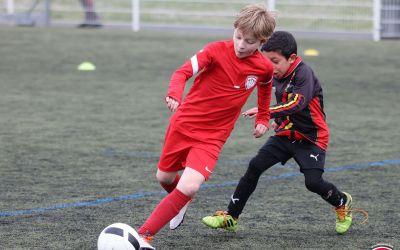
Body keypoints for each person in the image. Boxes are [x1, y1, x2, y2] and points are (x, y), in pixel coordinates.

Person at [133, 4, 276, 249]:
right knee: (164, 177)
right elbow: (182, 73)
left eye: (249, 41)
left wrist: (263, 118)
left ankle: (143, 236)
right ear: (234, 30)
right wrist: (174, 94)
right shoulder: (215, 51)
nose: (241, 44)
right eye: (238, 37)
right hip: (183, 124)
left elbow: (265, 88)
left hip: (213, 136)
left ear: (262, 41)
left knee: (189, 185)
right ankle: (182, 199)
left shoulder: (264, 67)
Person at [202, 31, 368, 235]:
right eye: (266, 60)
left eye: (275, 61)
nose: (270, 67)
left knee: (313, 183)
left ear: (292, 58)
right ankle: (231, 217)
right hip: (285, 134)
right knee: (255, 166)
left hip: (310, 137)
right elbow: (283, 100)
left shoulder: (304, 73)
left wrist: (267, 112)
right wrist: (278, 120)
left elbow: (297, 103)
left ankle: (341, 201)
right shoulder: (275, 74)